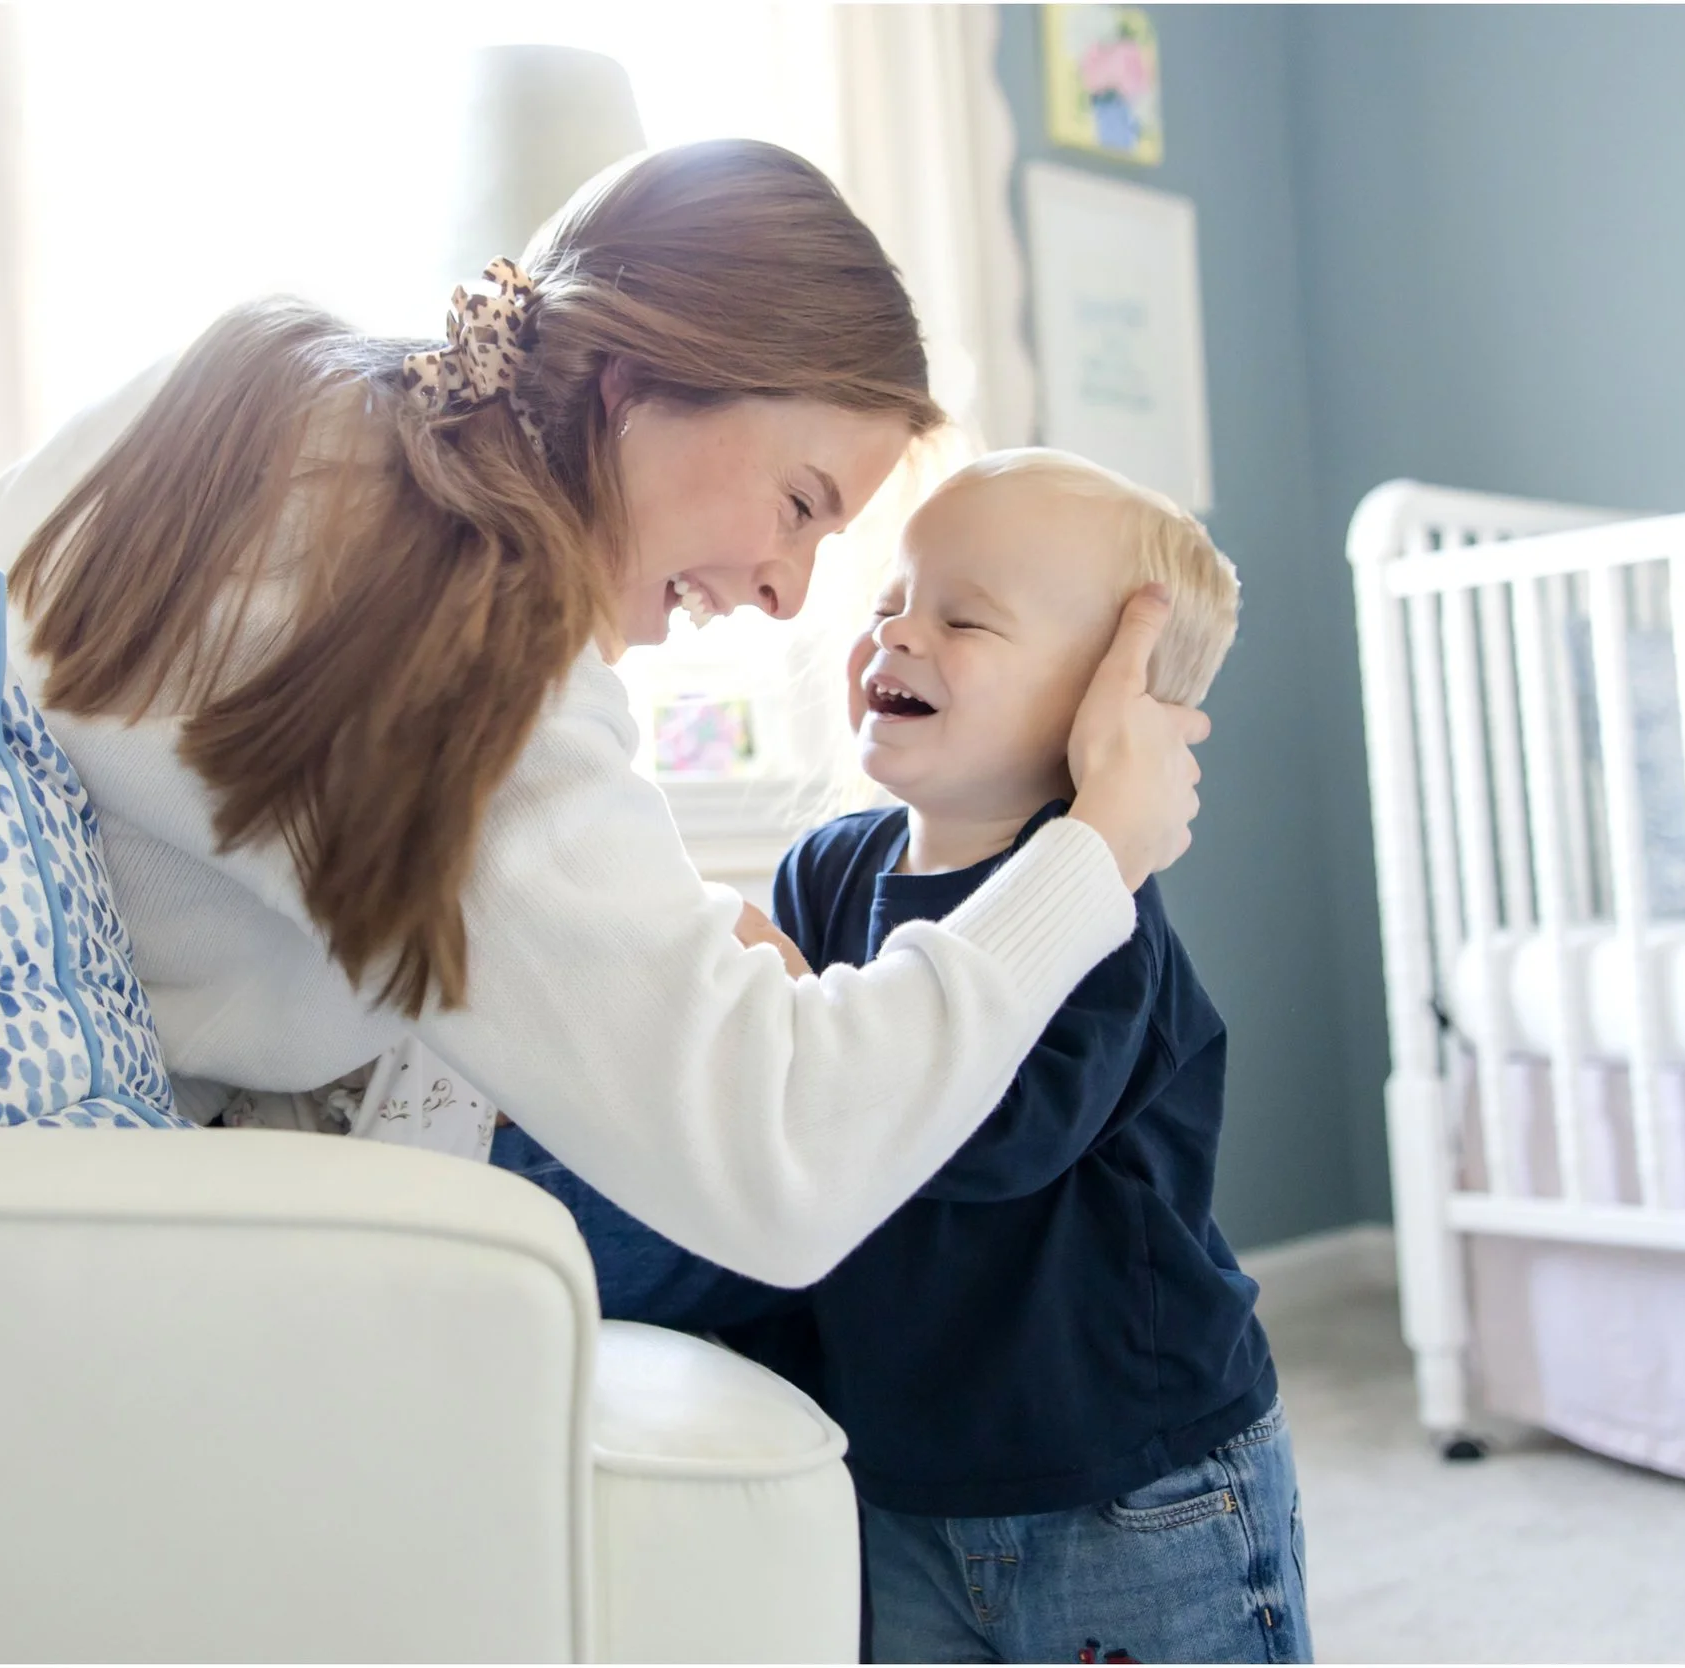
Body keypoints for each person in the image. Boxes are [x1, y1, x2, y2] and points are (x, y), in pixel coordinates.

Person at [0, 139, 1193, 1285]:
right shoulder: (454, 629)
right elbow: (792, 1167)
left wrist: (674, 933)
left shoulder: (271, 400)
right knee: (895, 1210)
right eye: (799, 505)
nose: (788, 593)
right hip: (80, 1224)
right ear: (635, 382)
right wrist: (1094, 853)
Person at [498, 449, 1307, 1664]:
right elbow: (793, 1145)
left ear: (1109, 707)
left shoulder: (1095, 907)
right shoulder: (832, 866)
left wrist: (793, 993)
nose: (898, 635)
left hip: (1127, 1488)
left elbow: (983, 1138)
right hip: (903, 1482)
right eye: (889, 602)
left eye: (963, 619)